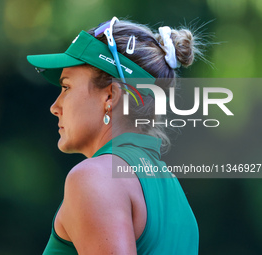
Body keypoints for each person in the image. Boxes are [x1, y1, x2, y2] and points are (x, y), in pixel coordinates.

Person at [27, 17, 201, 255]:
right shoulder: (173, 191)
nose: (55, 106)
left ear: (110, 96)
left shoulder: (94, 177)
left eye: (66, 87)